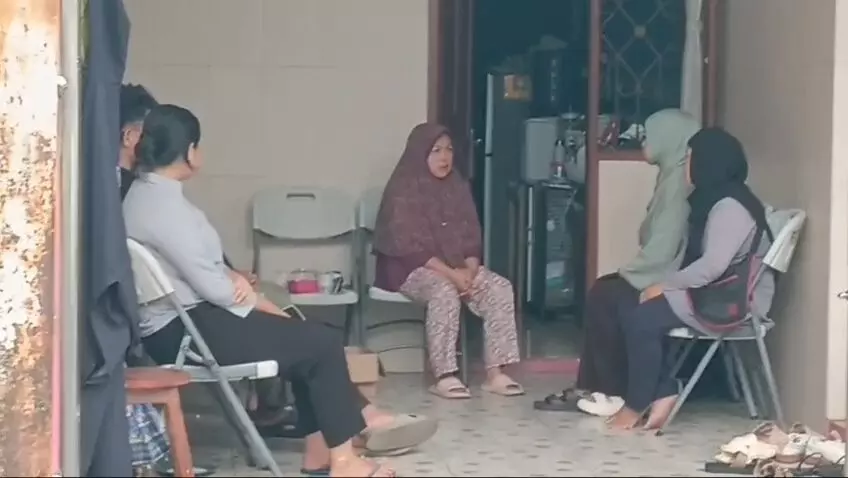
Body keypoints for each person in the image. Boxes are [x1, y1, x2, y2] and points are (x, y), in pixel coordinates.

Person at [606, 127, 775, 430]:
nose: (685, 166)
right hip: (714, 291)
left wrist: (665, 286)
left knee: (641, 320)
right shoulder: (711, 200)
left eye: (689, 158)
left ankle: (637, 404)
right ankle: (663, 392)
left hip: (731, 300)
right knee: (634, 304)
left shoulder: (730, 207)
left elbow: (712, 267)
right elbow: (692, 261)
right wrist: (659, 285)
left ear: (708, 162)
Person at [534, 109, 700, 416]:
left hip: (669, 279)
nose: (644, 141)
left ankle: (609, 391)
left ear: (670, 139)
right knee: (606, 291)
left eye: (651, 135)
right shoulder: (671, 177)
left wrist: (631, 276)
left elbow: (664, 250)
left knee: (609, 294)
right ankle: (595, 388)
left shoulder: (677, 187)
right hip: (666, 275)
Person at [373, 123, 522, 399]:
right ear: (420, 153)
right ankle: (444, 376)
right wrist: (454, 277)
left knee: (499, 287)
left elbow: (471, 235)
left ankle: (496, 373)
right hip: (411, 269)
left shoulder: (457, 185)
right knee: (444, 292)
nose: (444, 157)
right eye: (436, 151)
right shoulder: (402, 188)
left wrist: (470, 270)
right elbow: (409, 248)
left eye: (449, 150)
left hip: (457, 266)